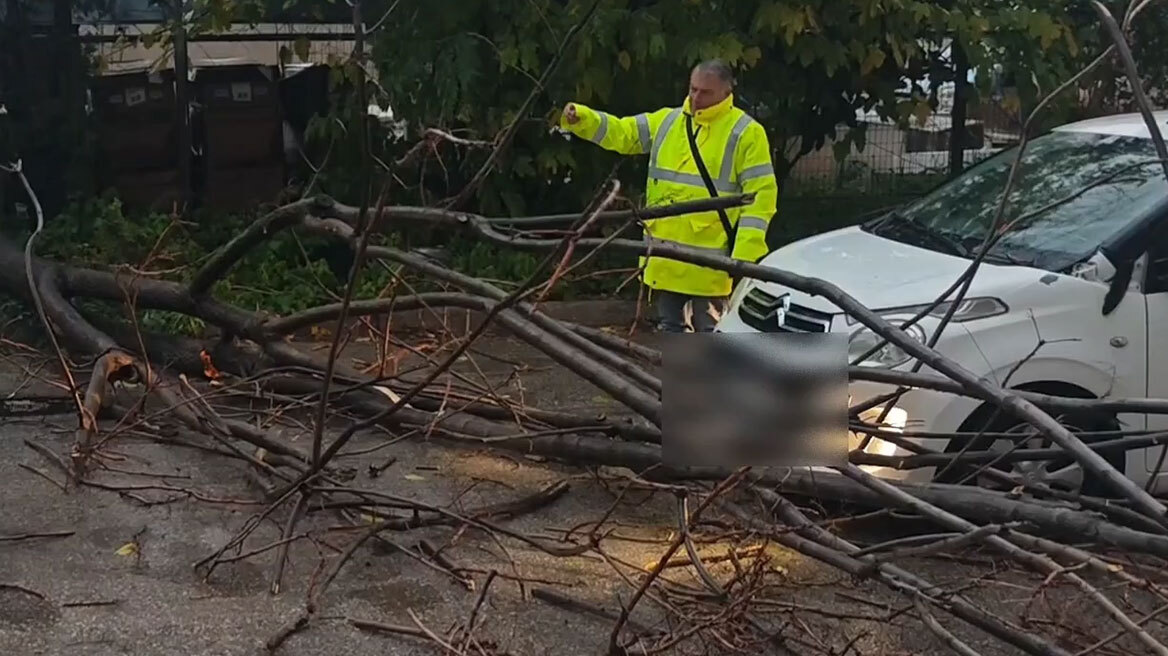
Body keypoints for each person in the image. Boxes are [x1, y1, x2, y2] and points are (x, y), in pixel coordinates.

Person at [559, 59, 778, 332]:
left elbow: (760, 199)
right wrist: (583, 118)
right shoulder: (669, 121)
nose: (696, 98)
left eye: (705, 92)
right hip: (667, 257)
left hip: (711, 265)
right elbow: (623, 133)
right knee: (673, 334)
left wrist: (742, 258)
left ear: (726, 92)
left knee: (711, 338)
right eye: (693, 89)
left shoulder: (746, 133)